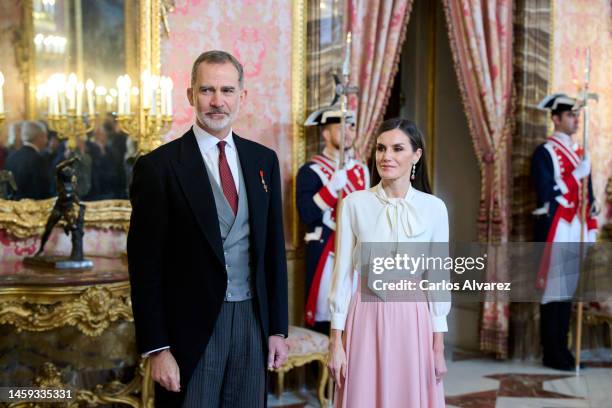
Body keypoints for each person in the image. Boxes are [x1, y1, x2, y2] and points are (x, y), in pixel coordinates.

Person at [128, 50, 289, 408]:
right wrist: (158, 349)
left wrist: (277, 328)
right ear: (190, 96)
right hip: (191, 328)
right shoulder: (159, 168)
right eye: (207, 90)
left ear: (242, 97)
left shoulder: (263, 161)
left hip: (252, 321)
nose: (217, 101)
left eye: (227, 91)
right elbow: (145, 268)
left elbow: (273, 251)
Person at [327, 118, 449, 407]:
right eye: (381, 149)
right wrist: (335, 342)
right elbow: (343, 275)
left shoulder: (434, 208)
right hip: (365, 319)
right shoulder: (354, 204)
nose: (386, 156)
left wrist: (438, 346)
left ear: (416, 155)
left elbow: (438, 281)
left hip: (414, 320)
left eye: (397, 149)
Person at [532, 93, 598, 371]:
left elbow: (588, 194)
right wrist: (576, 175)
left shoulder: (581, 153)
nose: (575, 119)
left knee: (567, 289)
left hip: (575, 226)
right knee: (553, 288)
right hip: (556, 226)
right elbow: (546, 192)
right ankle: (552, 351)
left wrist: (592, 205)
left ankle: (564, 348)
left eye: (576, 115)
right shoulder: (544, 152)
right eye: (570, 115)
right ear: (556, 118)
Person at [297, 105, 369, 333]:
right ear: (326, 134)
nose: (347, 132)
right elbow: (307, 213)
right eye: (340, 127)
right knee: (326, 316)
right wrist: (330, 189)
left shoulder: (361, 170)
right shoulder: (311, 170)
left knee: (357, 317)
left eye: (351, 126)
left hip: (357, 253)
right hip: (328, 251)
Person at [4, 121, 51, 200]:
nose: (47, 141)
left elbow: (7, 188)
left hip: (13, 208)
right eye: (45, 136)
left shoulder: (11, 157)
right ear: (39, 137)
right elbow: (43, 190)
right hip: (33, 209)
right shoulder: (38, 159)